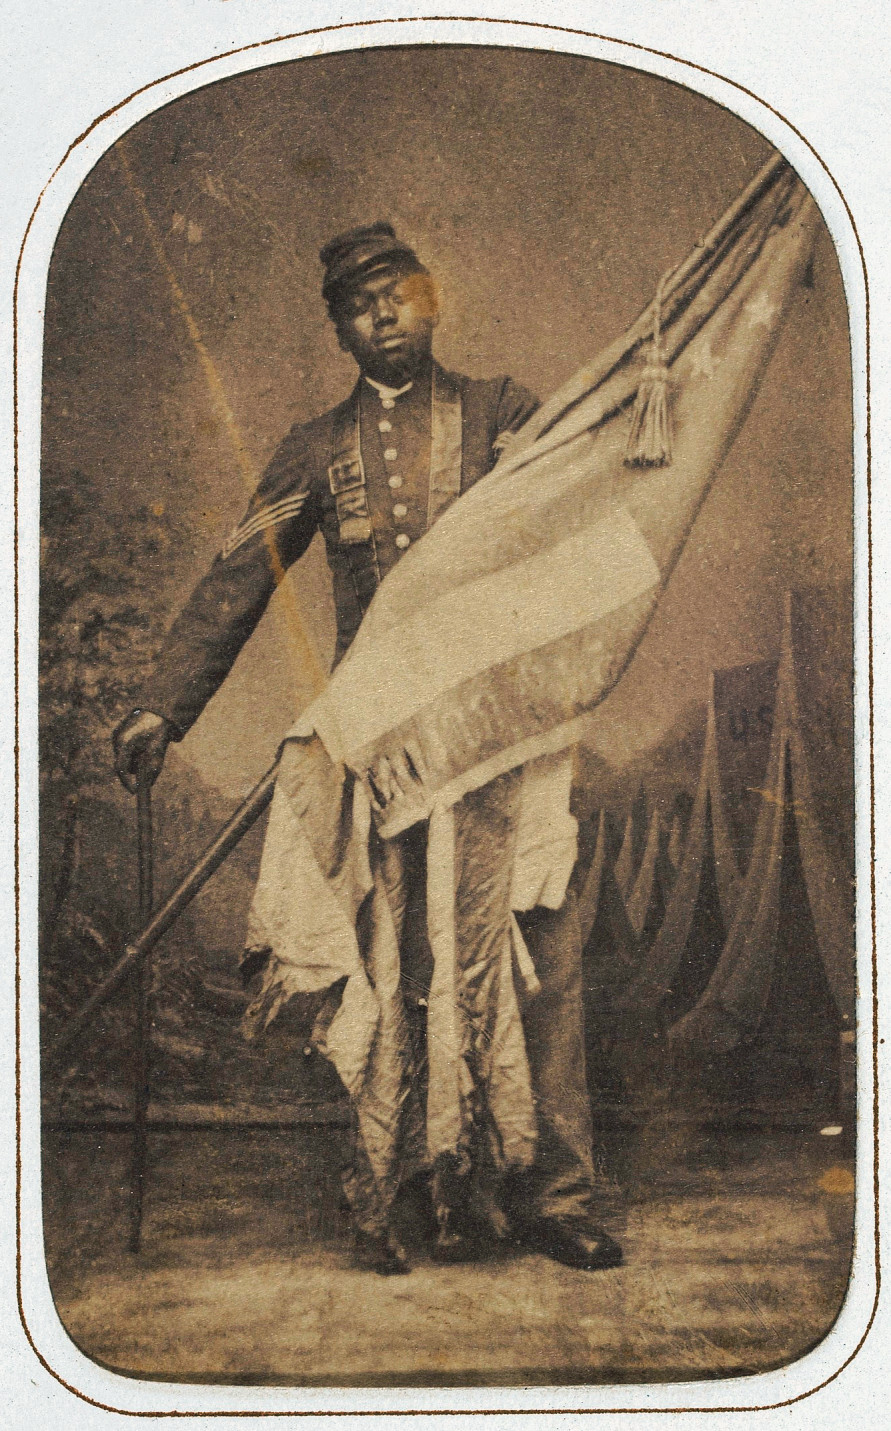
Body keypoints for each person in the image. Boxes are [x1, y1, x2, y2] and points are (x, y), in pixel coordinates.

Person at [114, 223, 622, 1275]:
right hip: (386, 746)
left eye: (398, 293)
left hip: (504, 733)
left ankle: (554, 1194)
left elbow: (586, 504)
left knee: (539, 955)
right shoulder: (315, 448)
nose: (384, 314)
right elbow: (238, 575)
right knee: (392, 962)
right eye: (359, 305)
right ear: (340, 331)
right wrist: (165, 708)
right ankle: (393, 1196)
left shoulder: (506, 415)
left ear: (432, 299)